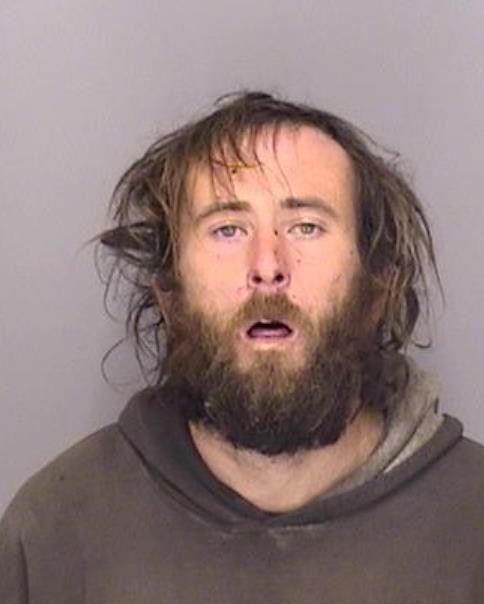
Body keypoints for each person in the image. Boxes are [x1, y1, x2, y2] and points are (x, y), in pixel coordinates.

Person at [1, 91, 483, 603]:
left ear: (377, 288)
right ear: (169, 295)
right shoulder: (54, 531)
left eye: (306, 227)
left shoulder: (472, 524)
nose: (268, 265)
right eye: (228, 229)